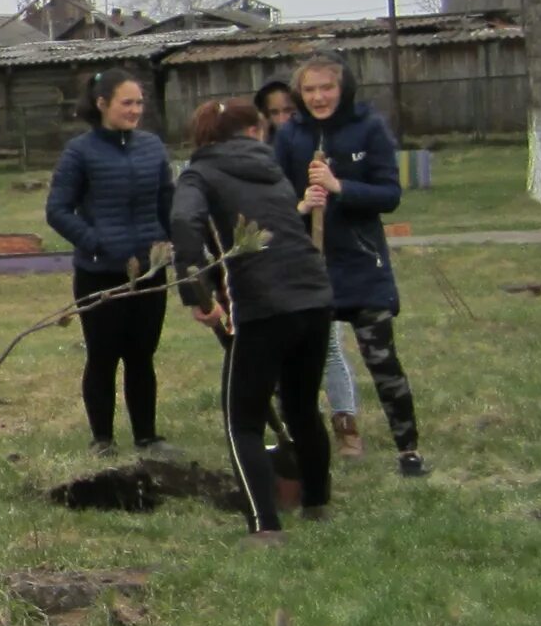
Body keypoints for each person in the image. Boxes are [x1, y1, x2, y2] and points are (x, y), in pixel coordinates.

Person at [172, 100, 337, 542]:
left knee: (241, 420)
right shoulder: (273, 169)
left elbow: (183, 223)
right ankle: (317, 502)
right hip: (315, 297)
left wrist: (196, 293)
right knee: (302, 407)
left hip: (263, 306)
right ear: (250, 132)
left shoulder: (198, 173)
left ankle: (264, 527)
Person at [271, 52, 427, 477]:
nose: (319, 97)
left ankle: (408, 450)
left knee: (382, 359)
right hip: (309, 266)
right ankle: (302, 448)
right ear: (299, 95)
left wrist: (340, 187)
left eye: (327, 88)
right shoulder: (289, 136)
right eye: (310, 90)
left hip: (361, 263)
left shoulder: (368, 128)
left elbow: (389, 195)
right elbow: (276, 201)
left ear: (343, 89)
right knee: (298, 365)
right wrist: (302, 203)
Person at [46, 69, 176, 453]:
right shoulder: (80, 152)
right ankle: (102, 438)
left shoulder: (152, 147)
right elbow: (58, 210)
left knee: (141, 356)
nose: (135, 110)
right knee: (103, 357)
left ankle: (147, 436)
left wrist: (174, 240)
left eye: (139, 103)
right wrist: (95, 242)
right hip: (99, 273)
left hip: (150, 271)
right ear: (102, 104)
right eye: (127, 103)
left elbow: (167, 201)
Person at [254, 82, 364, 456]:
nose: (282, 120)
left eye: (289, 111)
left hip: (318, 259)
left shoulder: (315, 150)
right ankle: (298, 421)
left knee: (330, 343)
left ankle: (346, 422)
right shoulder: (262, 160)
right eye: (274, 113)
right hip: (278, 263)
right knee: (285, 349)